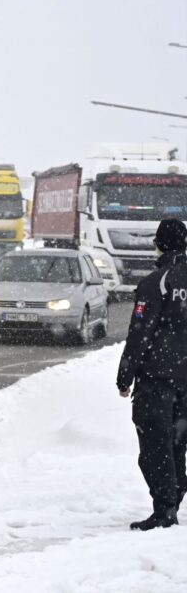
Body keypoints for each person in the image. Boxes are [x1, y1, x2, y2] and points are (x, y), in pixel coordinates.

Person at [117, 217, 187, 531]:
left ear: (159, 245)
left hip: (158, 378)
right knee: (177, 443)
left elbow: (139, 334)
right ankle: (173, 500)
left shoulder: (156, 282)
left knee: (155, 447)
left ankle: (165, 509)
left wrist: (125, 376)